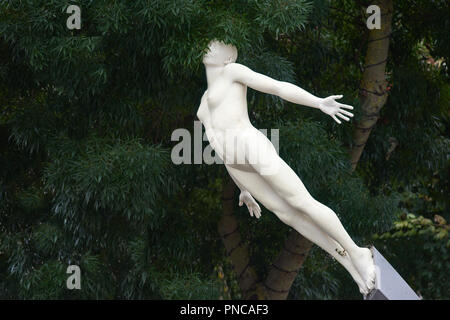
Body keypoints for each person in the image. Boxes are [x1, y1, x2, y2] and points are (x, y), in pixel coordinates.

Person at [197, 40, 375, 295]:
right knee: (287, 215)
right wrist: (243, 188)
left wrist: (317, 102)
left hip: (250, 147)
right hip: (235, 164)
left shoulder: (232, 72)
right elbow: (217, 145)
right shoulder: (204, 99)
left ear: (229, 57)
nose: (209, 47)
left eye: (217, 45)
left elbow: (277, 87)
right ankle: (350, 264)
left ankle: (357, 252)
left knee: (301, 202)